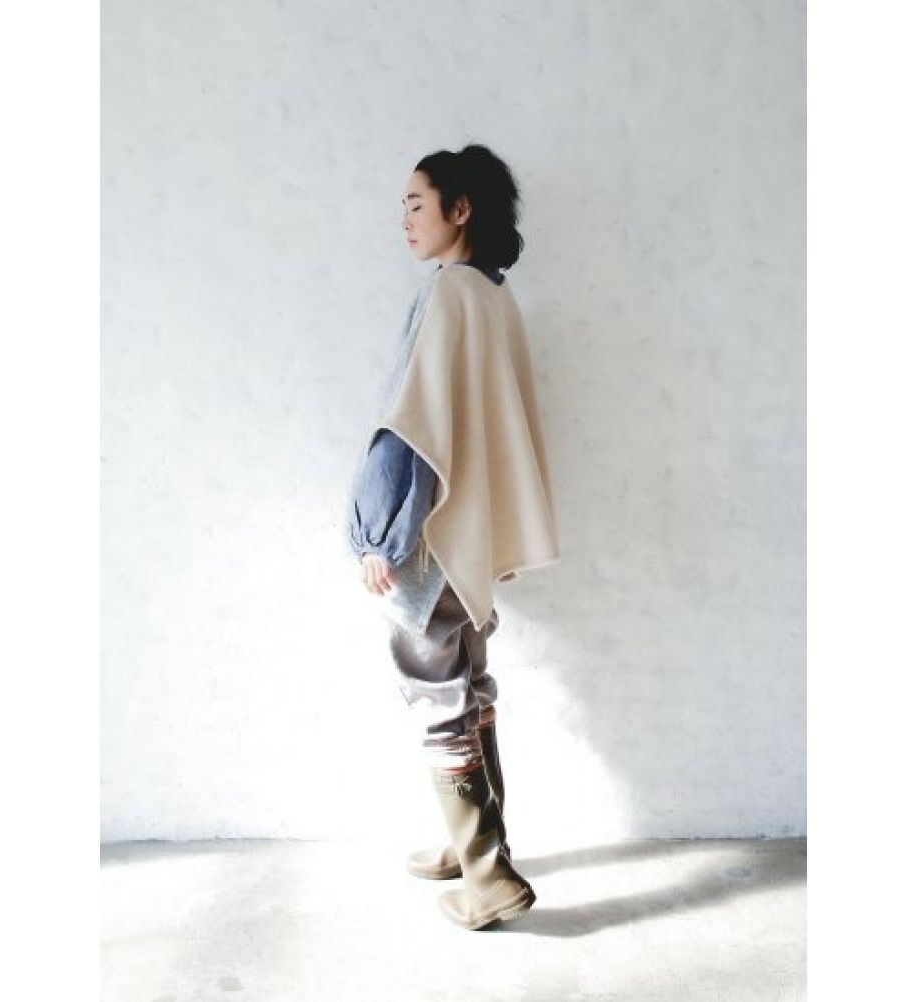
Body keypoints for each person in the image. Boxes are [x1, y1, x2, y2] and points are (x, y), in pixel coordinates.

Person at [345, 143, 561, 930]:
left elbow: (410, 427)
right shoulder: (493, 297)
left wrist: (378, 536)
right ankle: (473, 842)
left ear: (459, 209)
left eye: (416, 203)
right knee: (469, 683)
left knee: (437, 693)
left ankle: (488, 874)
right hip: (471, 532)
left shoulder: (445, 295)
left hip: (432, 536)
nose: (404, 219)